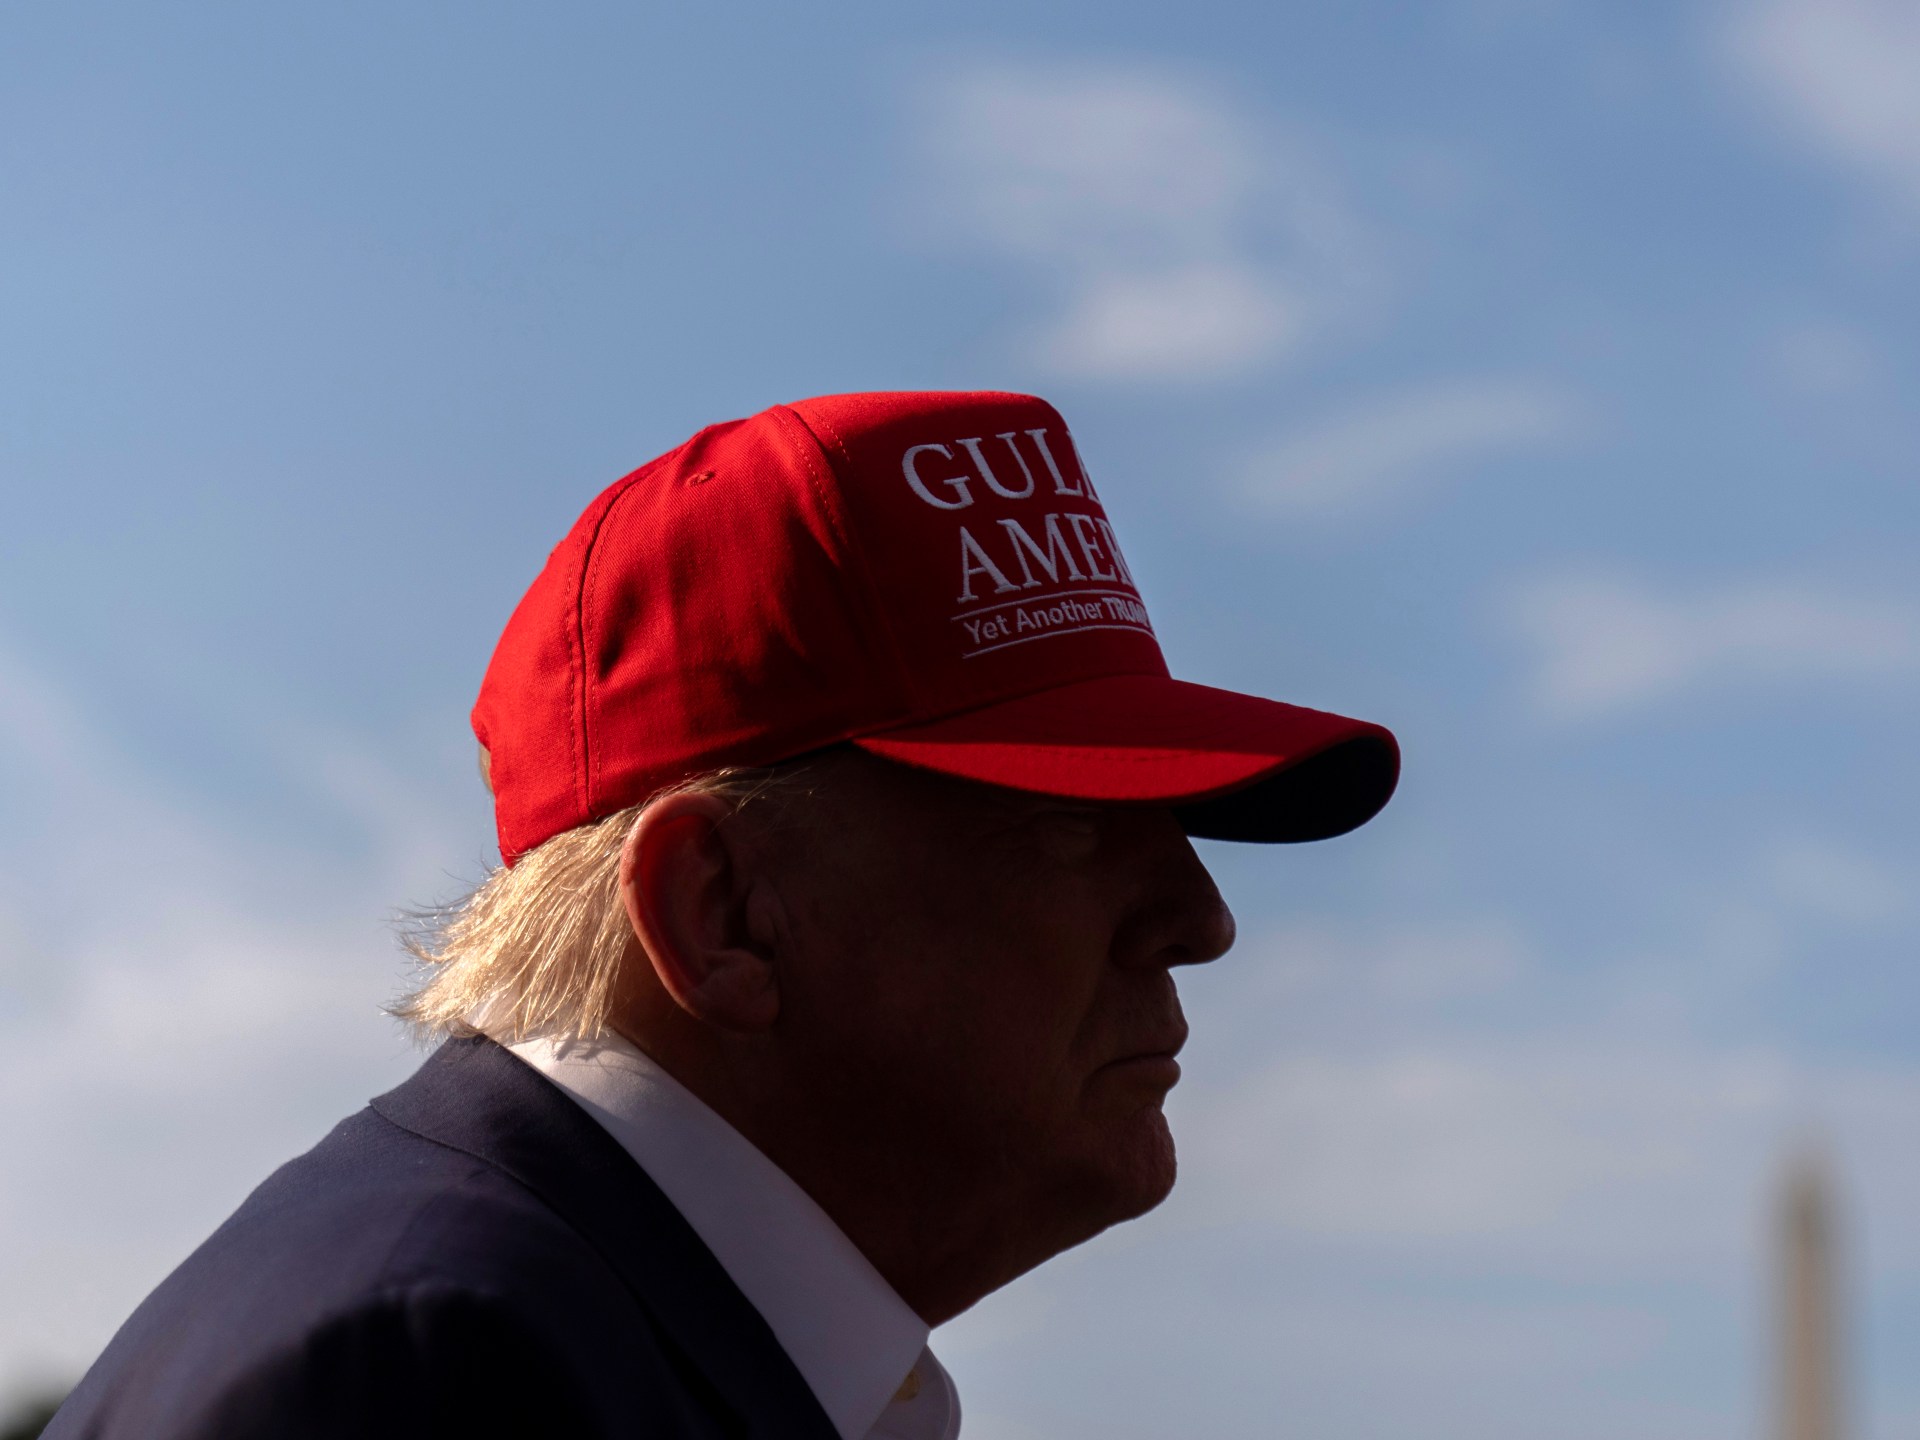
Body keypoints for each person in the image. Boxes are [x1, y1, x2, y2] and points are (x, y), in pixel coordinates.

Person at [45, 390, 1398, 1439]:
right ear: (725, 913)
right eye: (1069, 826)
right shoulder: (444, 1376)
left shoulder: (557, 1323)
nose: (1199, 919)